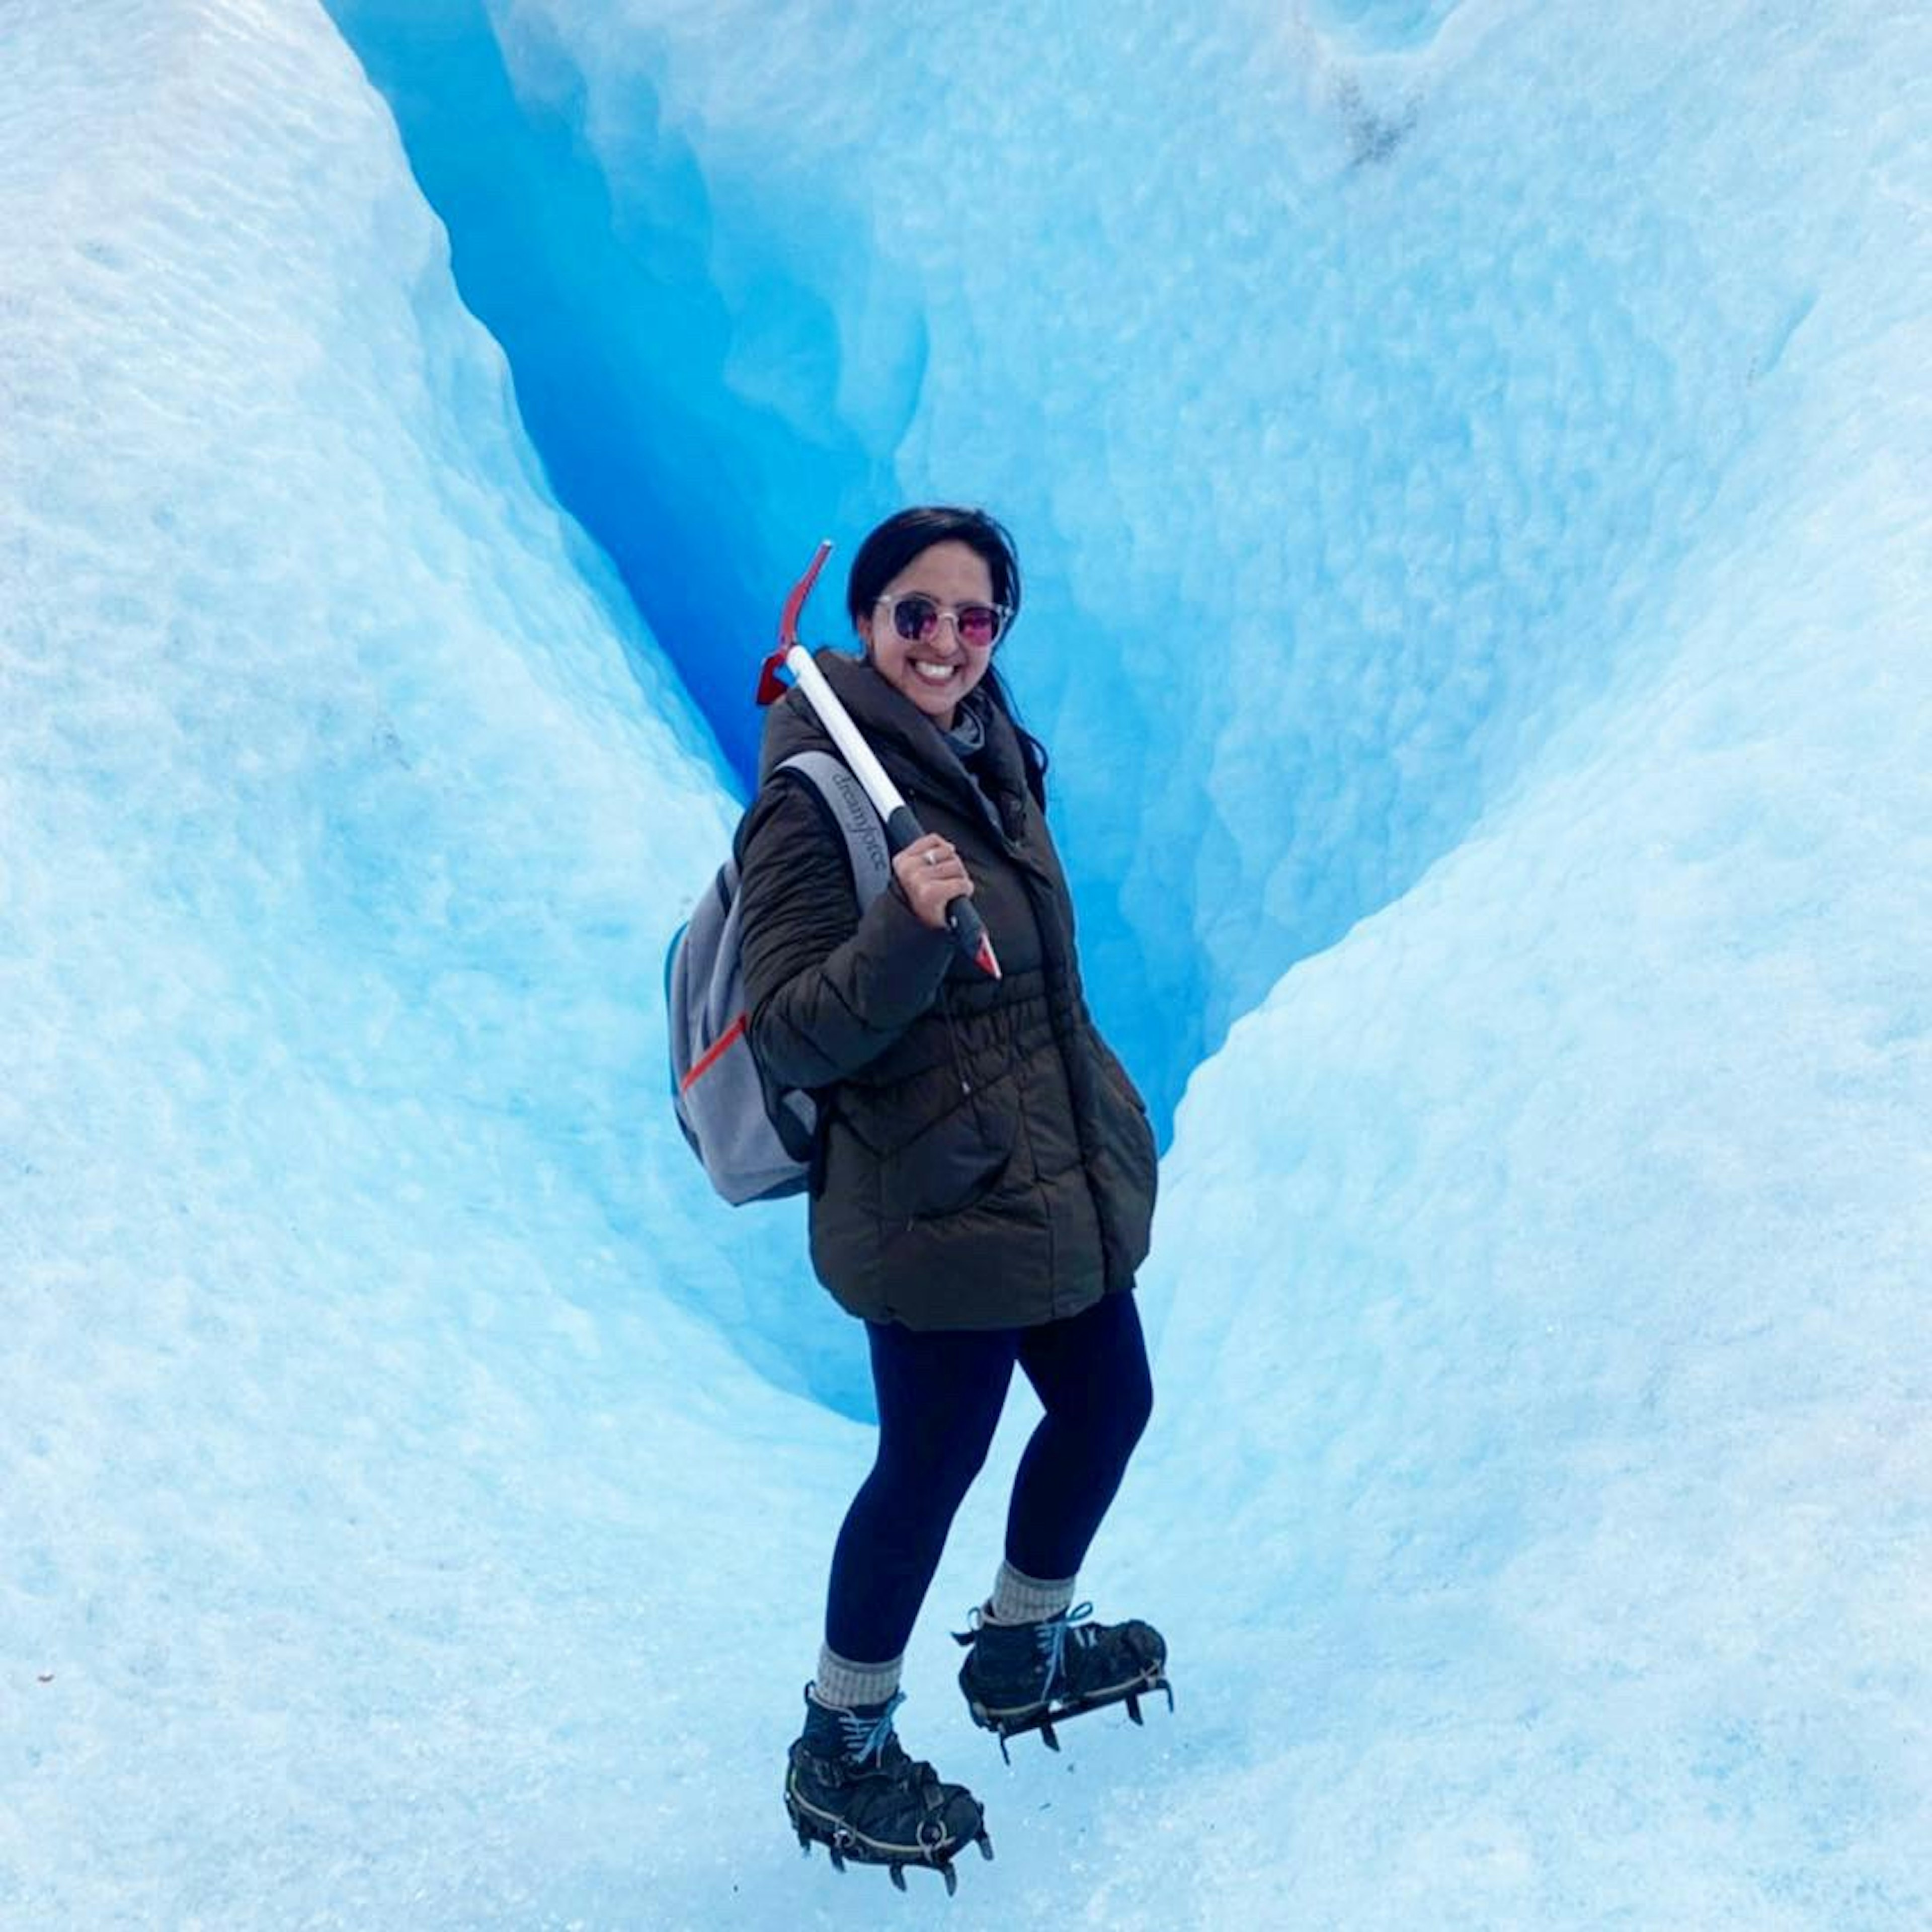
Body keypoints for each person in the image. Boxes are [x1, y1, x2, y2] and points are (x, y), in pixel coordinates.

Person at [736, 506, 1166, 1889]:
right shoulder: (818, 799)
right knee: (929, 1466)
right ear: (867, 622)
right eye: (915, 613)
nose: (944, 641)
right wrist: (901, 933)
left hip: (1046, 1170)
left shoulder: (990, 760)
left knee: (1109, 1404)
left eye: (974, 619)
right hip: (927, 1203)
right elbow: (795, 1027)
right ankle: (842, 1740)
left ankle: (1021, 1648)